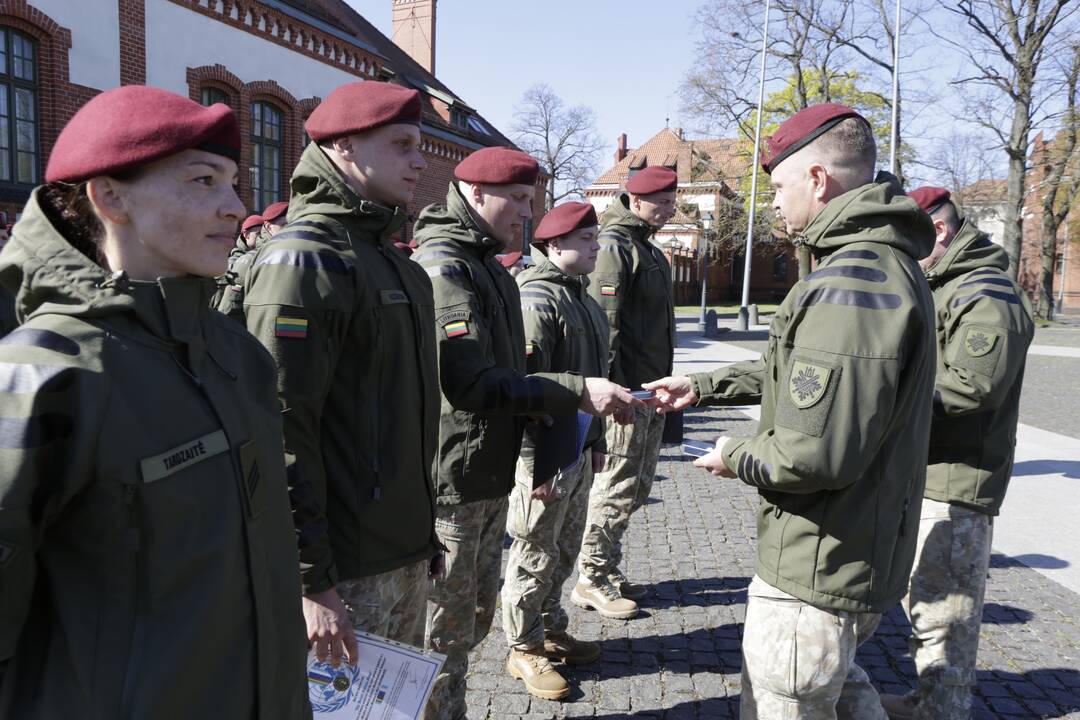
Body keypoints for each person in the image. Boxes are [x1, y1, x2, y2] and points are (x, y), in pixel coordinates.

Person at [0, 85, 309, 718]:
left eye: (232, 182)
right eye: (203, 181)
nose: (234, 207)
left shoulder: (233, 350)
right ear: (110, 196)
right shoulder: (46, 370)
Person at [645, 103, 937, 718]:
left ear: (818, 180)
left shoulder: (850, 282)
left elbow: (812, 453)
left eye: (777, 186)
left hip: (818, 560)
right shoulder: (880, 266)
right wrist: (703, 387)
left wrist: (734, 451)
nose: (771, 203)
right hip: (848, 547)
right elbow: (804, 371)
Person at [412, 146, 639, 720]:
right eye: (516, 199)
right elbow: (474, 384)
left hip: (485, 465)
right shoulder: (449, 266)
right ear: (475, 193)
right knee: (445, 630)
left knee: (470, 619)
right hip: (457, 476)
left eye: (530, 200)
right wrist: (568, 401)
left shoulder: (485, 264)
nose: (525, 213)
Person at [241, 81, 442, 666]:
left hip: (395, 550)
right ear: (347, 146)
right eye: (402, 143)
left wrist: (420, 534)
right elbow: (279, 429)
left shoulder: (389, 260)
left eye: (419, 144)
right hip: (344, 570)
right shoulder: (306, 258)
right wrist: (311, 581)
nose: (419, 159)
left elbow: (395, 419)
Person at [879, 187, 1034, 720]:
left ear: (937, 233)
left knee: (947, 610)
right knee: (925, 600)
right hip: (929, 468)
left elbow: (970, 388)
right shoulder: (947, 284)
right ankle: (929, 700)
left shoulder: (986, 294)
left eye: (905, 243)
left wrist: (880, 412)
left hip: (958, 480)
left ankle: (940, 710)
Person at [502, 201, 609, 700]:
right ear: (554, 244)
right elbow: (527, 388)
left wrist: (596, 441)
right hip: (544, 451)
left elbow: (596, 380)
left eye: (596, 238)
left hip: (576, 444)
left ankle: (550, 629)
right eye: (586, 239)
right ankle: (523, 647)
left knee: (564, 549)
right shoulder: (537, 298)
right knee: (533, 552)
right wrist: (540, 462)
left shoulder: (582, 298)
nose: (596, 247)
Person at [575, 165, 677, 618]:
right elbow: (606, 327)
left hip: (651, 391)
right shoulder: (615, 248)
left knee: (636, 488)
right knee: (616, 488)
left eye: (673, 201)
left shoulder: (646, 248)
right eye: (664, 202)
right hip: (629, 394)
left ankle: (606, 566)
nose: (672, 209)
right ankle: (590, 578)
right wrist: (615, 395)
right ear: (637, 202)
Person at [216, 201, 288, 320]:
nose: (260, 235)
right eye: (257, 233)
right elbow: (228, 310)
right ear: (246, 234)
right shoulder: (241, 261)